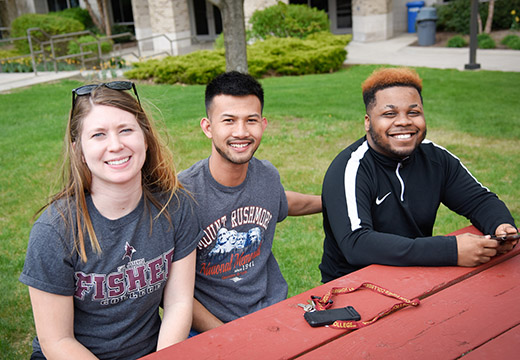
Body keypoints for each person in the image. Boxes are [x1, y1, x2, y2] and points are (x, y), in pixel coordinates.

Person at [19, 81, 202, 359]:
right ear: (78, 149)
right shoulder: (54, 231)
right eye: (99, 135)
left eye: (126, 130)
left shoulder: (176, 207)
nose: (116, 145)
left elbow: (178, 303)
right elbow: (57, 340)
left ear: (145, 137)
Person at [320, 67, 518, 283]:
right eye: (389, 114)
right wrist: (450, 250)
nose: (404, 121)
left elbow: (479, 201)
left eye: (413, 112)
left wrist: (501, 226)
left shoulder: (436, 158)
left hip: (417, 273)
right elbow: (356, 244)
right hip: (354, 286)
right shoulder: (350, 168)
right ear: (367, 121)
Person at [178, 71, 321, 333]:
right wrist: (231, 337)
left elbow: (282, 201)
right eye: (229, 121)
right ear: (208, 127)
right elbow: (176, 293)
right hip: (209, 328)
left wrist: (329, 201)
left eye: (251, 120)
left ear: (264, 124)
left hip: (273, 314)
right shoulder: (184, 193)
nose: (241, 132)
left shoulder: (267, 176)